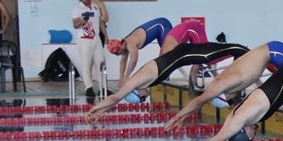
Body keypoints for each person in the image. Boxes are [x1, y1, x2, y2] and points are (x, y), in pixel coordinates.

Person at [85, 39, 251, 121]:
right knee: (224, 51)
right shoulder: (142, 84)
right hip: (182, 55)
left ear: (136, 92)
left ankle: (251, 53)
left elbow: (116, 97)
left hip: (183, 55)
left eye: (142, 97)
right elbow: (116, 100)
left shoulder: (135, 81)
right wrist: (100, 112)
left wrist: (94, 109)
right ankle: (248, 57)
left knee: (227, 50)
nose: (145, 97)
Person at [163, 41, 283, 128]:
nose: (231, 100)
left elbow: (198, 101)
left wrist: (177, 117)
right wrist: (182, 118)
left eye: (229, 100)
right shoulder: (228, 86)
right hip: (270, 57)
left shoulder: (220, 84)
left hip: (274, 51)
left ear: (223, 95)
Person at [108, 17, 173, 83]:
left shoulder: (130, 43)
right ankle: (165, 74)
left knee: (166, 52)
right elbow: (123, 61)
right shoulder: (124, 43)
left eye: (117, 53)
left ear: (120, 47)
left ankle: (166, 74)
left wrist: (126, 77)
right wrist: (121, 77)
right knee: (166, 53)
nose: (117, 55)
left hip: (163, 25)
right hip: (159, 28)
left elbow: (133, 61)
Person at [71, 0, 106, 99]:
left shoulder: (95, 7)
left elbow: (101, 23)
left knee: (101, 63)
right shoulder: (77, 9)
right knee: (86, 64)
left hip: (96, 39)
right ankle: (88, 87)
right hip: (84, 39)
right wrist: (83, 20)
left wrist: (106, 36)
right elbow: (75, 25)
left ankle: (103, 87)